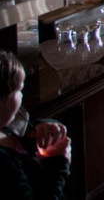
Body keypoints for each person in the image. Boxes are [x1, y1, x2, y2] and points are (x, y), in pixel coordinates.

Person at [0, 51, 72, 198]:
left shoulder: (5, 130)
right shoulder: (5, 165)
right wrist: (58, 166)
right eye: (19, 90)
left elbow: (23, 137)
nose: (22, 96)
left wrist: (40, 131)